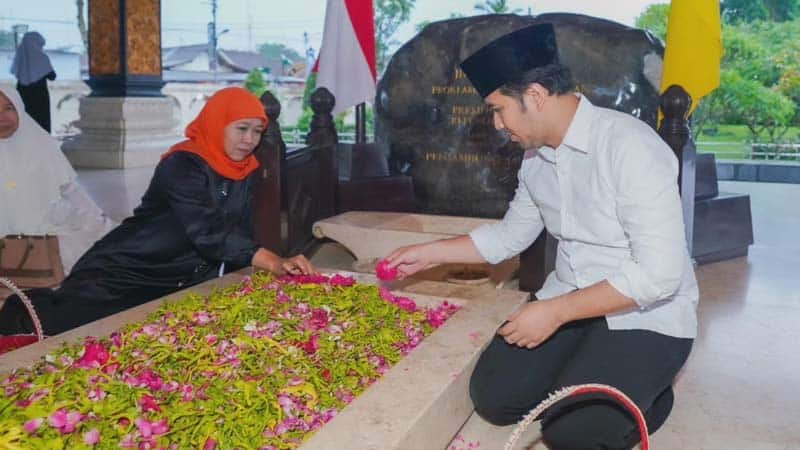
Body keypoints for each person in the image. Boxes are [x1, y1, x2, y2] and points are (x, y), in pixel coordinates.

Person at [385, 24, 697, 450]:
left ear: (534, 96)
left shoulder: (629, 146)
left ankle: (649, 392)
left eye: (498, 110)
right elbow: (510, 236)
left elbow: (661, 275)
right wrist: (429, 253)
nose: (496, 125)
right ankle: (596, 369)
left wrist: (554, 313)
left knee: (571, 432)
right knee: (494, 398)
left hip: (645, 312)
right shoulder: (535, 159)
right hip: (571, 296)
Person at [0, 87, 316, 336]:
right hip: (124, 273)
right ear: (218, 123)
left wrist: (261, 274)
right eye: (242, 129)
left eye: (257, 131)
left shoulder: (244, 170)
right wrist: (273, 260)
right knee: (65, 328)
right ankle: (17, 310)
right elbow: (207, 231)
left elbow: (239, 231)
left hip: (175, 279)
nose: (250, 140)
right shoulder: (182, 164)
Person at [0, 85, 114, 275]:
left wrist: (99, 220)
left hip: (44, 231)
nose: (2, 117)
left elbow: (70, 189)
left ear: (19, 108)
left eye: (9, 108)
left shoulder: (40, 143)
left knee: (92, 237)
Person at [11, 31, 57, 133]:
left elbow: (15, 72)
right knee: (41, 121)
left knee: (25, 120)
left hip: (22, 93)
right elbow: (52, 76)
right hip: (39, 95)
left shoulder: (20, 57)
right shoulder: (42, 58)